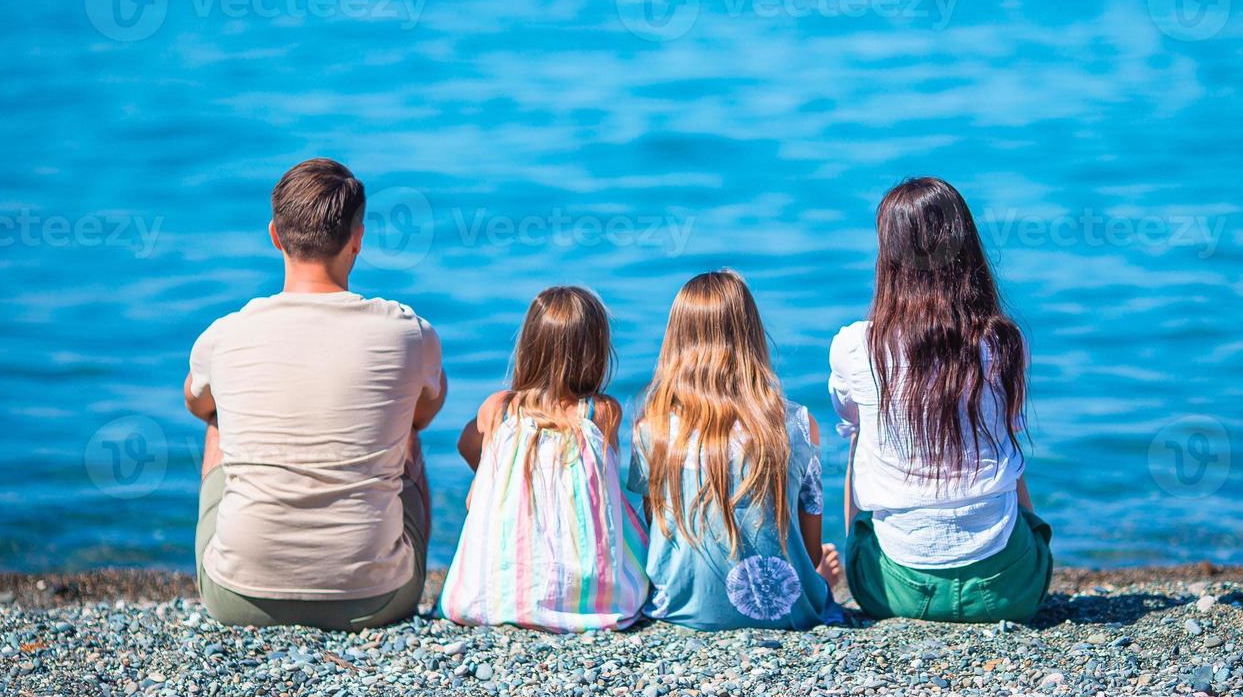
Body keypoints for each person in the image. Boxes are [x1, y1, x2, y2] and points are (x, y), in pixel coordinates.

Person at [183, 158, 446, 630]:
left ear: (274, 236)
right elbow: (426, 413)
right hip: (381, 600)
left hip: (237, 598)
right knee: (403, 423)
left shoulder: (223, 335)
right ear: (357, 239)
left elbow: (195, 401)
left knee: (218, 418)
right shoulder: (409, 332)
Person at [830, 177, 1052, 623]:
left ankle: (865, 550)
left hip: (897, 591)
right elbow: (1009, 441)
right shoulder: (1004, 341)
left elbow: (852, 429)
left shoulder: (857, 346)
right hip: (1011, 588)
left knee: (859, 433)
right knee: (1001, 434)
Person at [628, 270, 843, 631]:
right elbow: (810, 546)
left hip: (678, 610)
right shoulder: (798, 425)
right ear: (751, 335)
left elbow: (661, 533)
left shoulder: (652, 431)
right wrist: (820, 574)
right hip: (789, 612)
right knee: (826, 563)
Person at [438, 287, 648, 631]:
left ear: (529, 347)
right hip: (593, 601)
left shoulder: (498, 408)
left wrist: (496, 477)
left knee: (483, 486)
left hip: (490, 599)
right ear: (596, 353)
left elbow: (466, 445)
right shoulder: (603, 413)